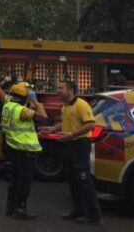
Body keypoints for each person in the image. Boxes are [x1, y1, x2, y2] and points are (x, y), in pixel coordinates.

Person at [39, 80, 103, 225]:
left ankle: (95, 215)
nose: (58, 90)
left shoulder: (81, 105)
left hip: (79, 145)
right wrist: (52, 129)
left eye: (61, 88)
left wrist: (72, 135)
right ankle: (78, 211)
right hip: (69, 145)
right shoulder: (66, 106)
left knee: (84, 180)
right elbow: (65, 122)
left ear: (70, 90)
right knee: (73, 180)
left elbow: (91, 124)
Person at [1, 82, 47, 219]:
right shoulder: (22, 111)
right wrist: (35, 100)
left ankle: (10, 207)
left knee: (15, 179)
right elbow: (44, 117)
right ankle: (21, 208)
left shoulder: (8, 106)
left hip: (14, 148)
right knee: (24, 180)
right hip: (26, 149)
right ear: (25, 97)